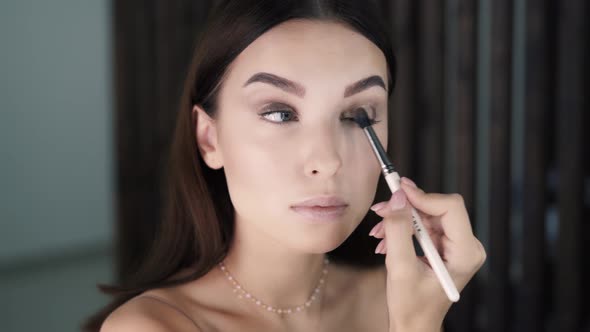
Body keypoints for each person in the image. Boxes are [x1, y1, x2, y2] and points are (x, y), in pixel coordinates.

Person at [88, 1, 486, 331]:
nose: (328, 162)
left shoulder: (406, 297)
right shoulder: (154, 327)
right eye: (279, 114)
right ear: (210, 139)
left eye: (357, 115)